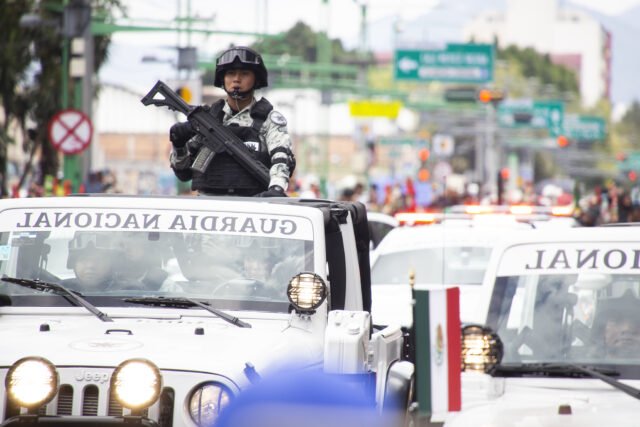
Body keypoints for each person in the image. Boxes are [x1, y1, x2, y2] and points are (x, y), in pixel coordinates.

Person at [169, 46, 295, 197]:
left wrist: (276, 188)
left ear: (256, 79)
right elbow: (183, 173)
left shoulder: (268, 120)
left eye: (244, 73)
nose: (236, 79)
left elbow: (281, 158)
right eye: (230, 73)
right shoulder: (207, 119)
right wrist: (178, 145)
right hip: (208, 204)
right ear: (222, 79)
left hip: (254, 204)